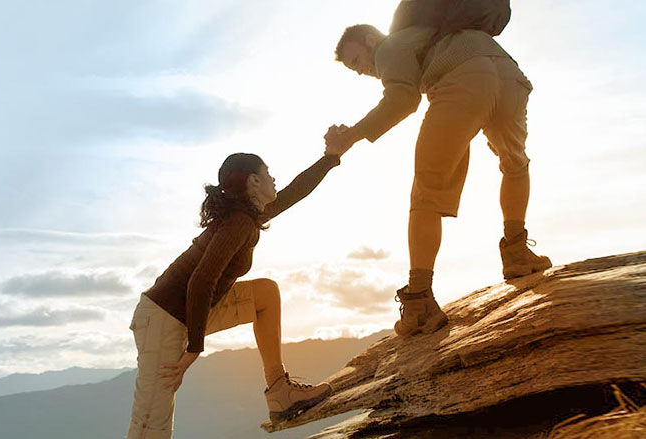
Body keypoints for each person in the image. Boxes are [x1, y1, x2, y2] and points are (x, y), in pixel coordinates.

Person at [324, 24, 551, 338]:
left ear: (371, 40)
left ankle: (419, 303)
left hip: (465, 79)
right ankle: (517, 253)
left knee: (427, 191)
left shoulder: (389, 47)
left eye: (357, 61)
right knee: (514, 163)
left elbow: (402, 100)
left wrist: (349, 136)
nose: (362, 71)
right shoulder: (428, 36)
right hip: (509, 74)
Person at [126, 151, 339, 439]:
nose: (274, 179)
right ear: (253, 181)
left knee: (265, 293)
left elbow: (293, 193)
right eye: (268, 173)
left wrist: (332, 156)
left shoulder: (247, 215)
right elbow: (201, 281)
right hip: (162, 316)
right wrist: (193, 350)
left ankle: (279, 391)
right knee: (151, 420)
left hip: (191, 310)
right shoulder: (240, 221)